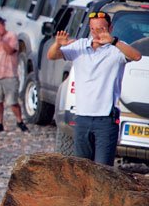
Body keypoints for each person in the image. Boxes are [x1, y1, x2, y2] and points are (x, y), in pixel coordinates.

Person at [47, 11, 143, 165]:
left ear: (110, 28)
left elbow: (136, 56)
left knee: (103, 169)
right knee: (82, 168)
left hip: (106, 119)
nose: (97, 33)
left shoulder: (117, 49)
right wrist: (58, 43)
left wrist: (114, 41)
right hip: (82, 117)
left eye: (101, 29)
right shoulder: (79, 46)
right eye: (93, 29)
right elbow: (51, 56)